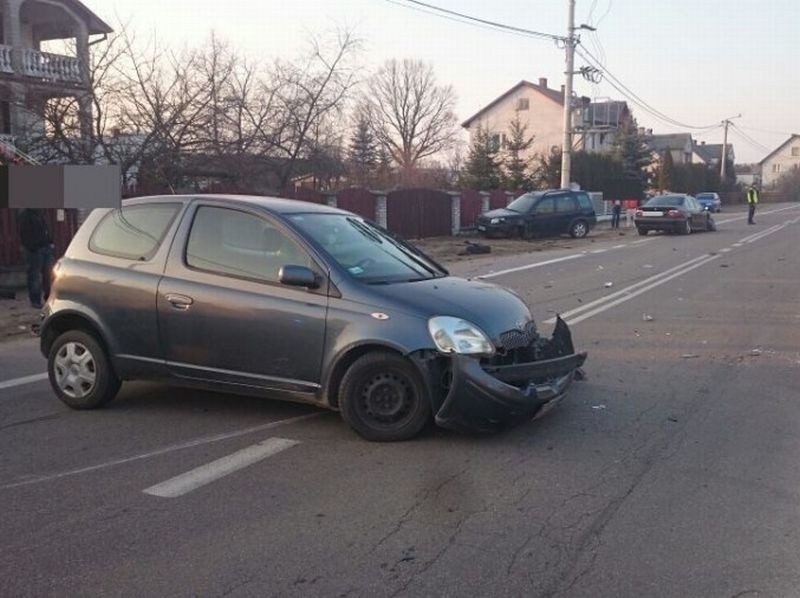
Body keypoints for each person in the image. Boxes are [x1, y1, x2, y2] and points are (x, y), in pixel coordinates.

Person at [17, 209, 54, 308]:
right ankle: (35, 301)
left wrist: (50, 242)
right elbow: (23, 234)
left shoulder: (39, 214)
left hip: (45, 247)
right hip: (34, 250)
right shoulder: (25, 215)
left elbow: (45, 229)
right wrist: (32, 247)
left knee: (48, 275)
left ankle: (49, 298)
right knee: (34, 276)